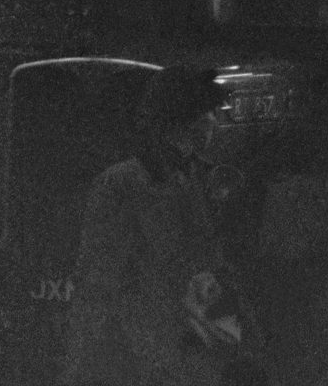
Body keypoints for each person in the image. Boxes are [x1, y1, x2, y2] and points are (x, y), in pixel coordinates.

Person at [63, 66, 260, 386]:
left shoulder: (193, 176)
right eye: (210, 112)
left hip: (187, 347)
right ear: (188, 118)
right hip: (151, 350)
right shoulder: (125, 183)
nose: (216, 122)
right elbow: (100, 281)